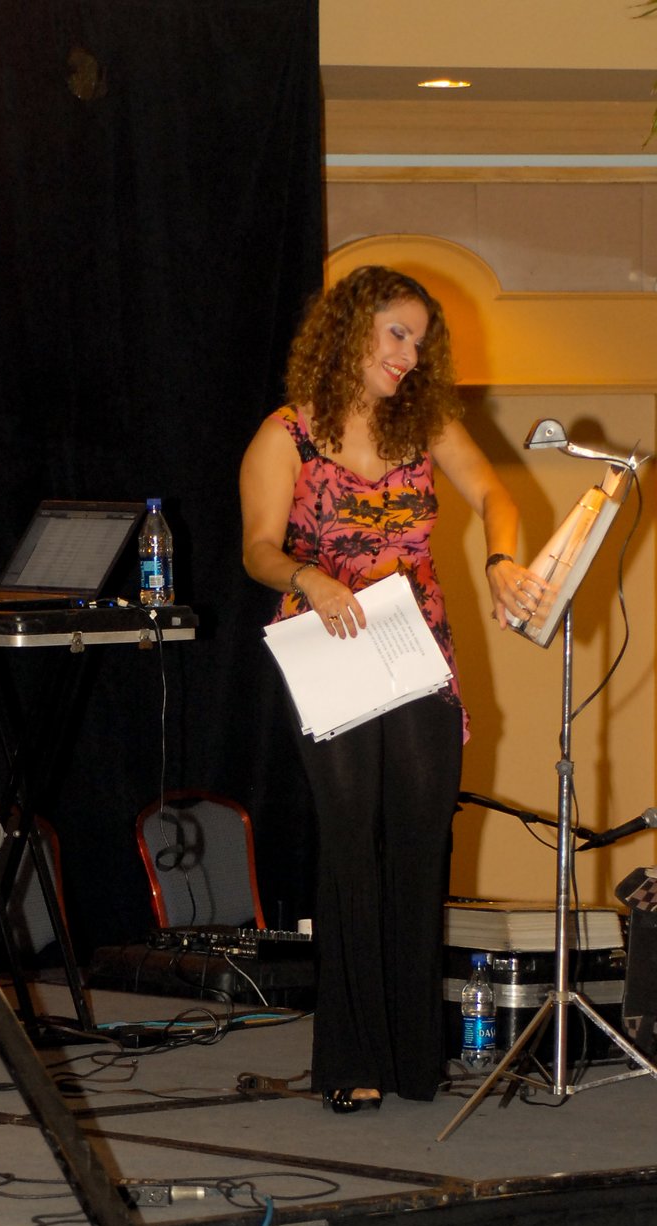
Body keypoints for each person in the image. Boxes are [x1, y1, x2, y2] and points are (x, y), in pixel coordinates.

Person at [239, 264, 545, 1112]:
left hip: (419, 653)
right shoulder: (285, 436)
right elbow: (257, 547)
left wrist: (498, 557)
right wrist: (309, 574)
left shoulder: (426, 422)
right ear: (350, 330)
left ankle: (416, 1058)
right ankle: (350, 1060)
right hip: (328, 645)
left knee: (419, 841)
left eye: (419, 341)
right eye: (396, 335)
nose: (409, 356)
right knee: (351, 846)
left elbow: (494, 493)